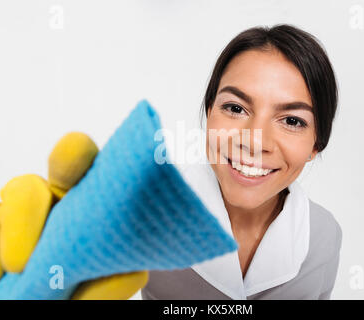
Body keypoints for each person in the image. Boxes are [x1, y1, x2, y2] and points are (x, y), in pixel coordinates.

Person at [141, 23, 342, 300]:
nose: (254, 141)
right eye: (235, 108)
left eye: (292, 121)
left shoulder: (323, 236)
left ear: (316, 145)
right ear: (210, 113)